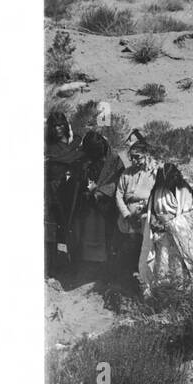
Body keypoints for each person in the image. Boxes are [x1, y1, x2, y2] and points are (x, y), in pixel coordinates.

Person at [138, 162, 193, 296]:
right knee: (162, 266)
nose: (169, 183)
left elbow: (191, 216)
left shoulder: (185, 191)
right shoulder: (158, 191)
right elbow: (152, 212)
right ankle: (163, 296)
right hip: (162, 238)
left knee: (179, 268)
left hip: (180, 238)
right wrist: (155, 221)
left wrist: (171, 223)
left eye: (171, 179)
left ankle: (182, 295)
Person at [78, 131, 127, 268]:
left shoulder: (114, 159)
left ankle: (105, 266)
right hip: (88, 202)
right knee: (87, 232)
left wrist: (99, 192)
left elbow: (117, 179)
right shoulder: (86, 155)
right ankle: (87, 264)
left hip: (106, 204)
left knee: (106, 235)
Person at [114, 138, 158, 290]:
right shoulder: (127, 174)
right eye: (132, 157)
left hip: (146, 220)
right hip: (128, 221)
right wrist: (127, 215)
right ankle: (126, 284)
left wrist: (146, 212)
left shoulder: (155, 174)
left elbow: (158, 196)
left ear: (146, 155)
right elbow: (119, 195)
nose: (134, 160)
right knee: (129, 251)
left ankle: (145, 285)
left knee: (145, 253)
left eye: (137, 157)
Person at [45, 112, 82, 274]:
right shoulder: (51, 145)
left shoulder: (73, 140)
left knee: (73, 225)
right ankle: (58, 263)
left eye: (61, 125)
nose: (58, 129)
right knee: (59, 226)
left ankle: (73, 262)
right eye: (55, 126)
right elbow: (65, 158)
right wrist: (77, 147)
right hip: (55, 191)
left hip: (73, 189)